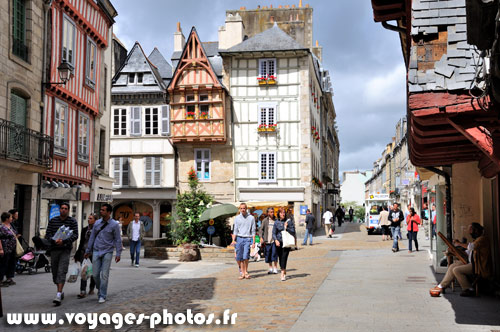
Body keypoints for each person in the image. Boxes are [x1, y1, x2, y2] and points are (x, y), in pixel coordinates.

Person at [430, 223, 492, 297]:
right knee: (452, 266)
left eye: (471, 230)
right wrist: (454, 250)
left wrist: (459, 243)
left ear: (476, 230)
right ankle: (441, 286)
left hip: (478, 266)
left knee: (457, 270)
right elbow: (468, 252)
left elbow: (471, 247)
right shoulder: (476, 240)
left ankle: (469, 289)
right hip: (471, 262)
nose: (469, 233)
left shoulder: (483, 239)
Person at [84, 203, 122, 304]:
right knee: (95, 274)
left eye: (103, 210)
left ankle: (102, 295)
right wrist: (88, 250)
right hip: (96, 250)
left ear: (109, 212)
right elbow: (92, 237)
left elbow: (118, 239)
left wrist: (118, 253)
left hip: (108, 251)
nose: (101, 211)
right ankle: (100, 288)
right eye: (101, 210)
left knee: (104, 275)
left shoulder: (114, 224)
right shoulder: (97, 223)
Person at [45, 202, 79, 306]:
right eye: (62, 208)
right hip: (54, 249)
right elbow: (48, 234)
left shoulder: (72, 221)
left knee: (61, 270)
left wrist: (64, 241)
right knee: (55, 272)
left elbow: (75, 235)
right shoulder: (53, 221)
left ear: (68, 210)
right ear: (59, 210)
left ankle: (58, 294)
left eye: (65, 208)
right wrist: (54, 240)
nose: (63, 210)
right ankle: (60, 290)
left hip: (65, 249)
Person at [231, 203, 255, 280]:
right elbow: (235, 230)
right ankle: (242, 271)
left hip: (247, 238)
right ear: (239, 209)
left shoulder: (251, 218)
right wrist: (233, 240)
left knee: (245, 256)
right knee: (239, 257)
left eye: (244, 208)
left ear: (246, 208)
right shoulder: (237, 218)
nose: (243, 210)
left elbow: (253, 231)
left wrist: (253, 242)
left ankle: (245, 272)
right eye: (241, 208)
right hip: (239, 238)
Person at [75, 214, 97, 298]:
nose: (89, 220)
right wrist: (77, 253)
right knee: (84, 271)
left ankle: (91, 288)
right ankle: (82, 290)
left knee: (93, 272)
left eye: (91, 218)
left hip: (94, 253)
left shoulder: (97, 230)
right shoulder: (84, 230)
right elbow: (81, 242)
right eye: (88, 218)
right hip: (84, 253)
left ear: (95, 220)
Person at [273, 207, 295, 281]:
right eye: (281, 213)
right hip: (279, 242)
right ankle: (283, 269)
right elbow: (274, 233)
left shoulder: (289, 221)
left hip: (286, 242)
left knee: (284, 257)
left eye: (284, 213)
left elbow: (293, 231)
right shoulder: (276, 222)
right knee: (280, 257)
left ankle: (282, 272)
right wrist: (275, 240)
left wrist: (287, 227)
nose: (283, 214)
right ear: (279, 214)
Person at [0, 212, 18, 287]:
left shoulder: (11, 225)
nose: (12, 218)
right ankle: (0, 279)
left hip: (12, 248)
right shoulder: (1, 227)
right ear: (6, 219)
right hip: (5, 248)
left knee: (11, 263)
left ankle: (9, 278)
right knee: (3, 264)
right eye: (10, 217)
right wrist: (1, 249)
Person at [259, 207, 278, 274]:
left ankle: (275, 268)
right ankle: (270, 268)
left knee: (275, 254)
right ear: (268, 213)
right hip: (267, 240)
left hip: (274, 240)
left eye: (273, 212)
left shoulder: (276, 220)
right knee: (268, 254)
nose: (272, 213)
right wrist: (261, 237)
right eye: (271, 212)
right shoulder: (265, 220)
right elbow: (261, 229)